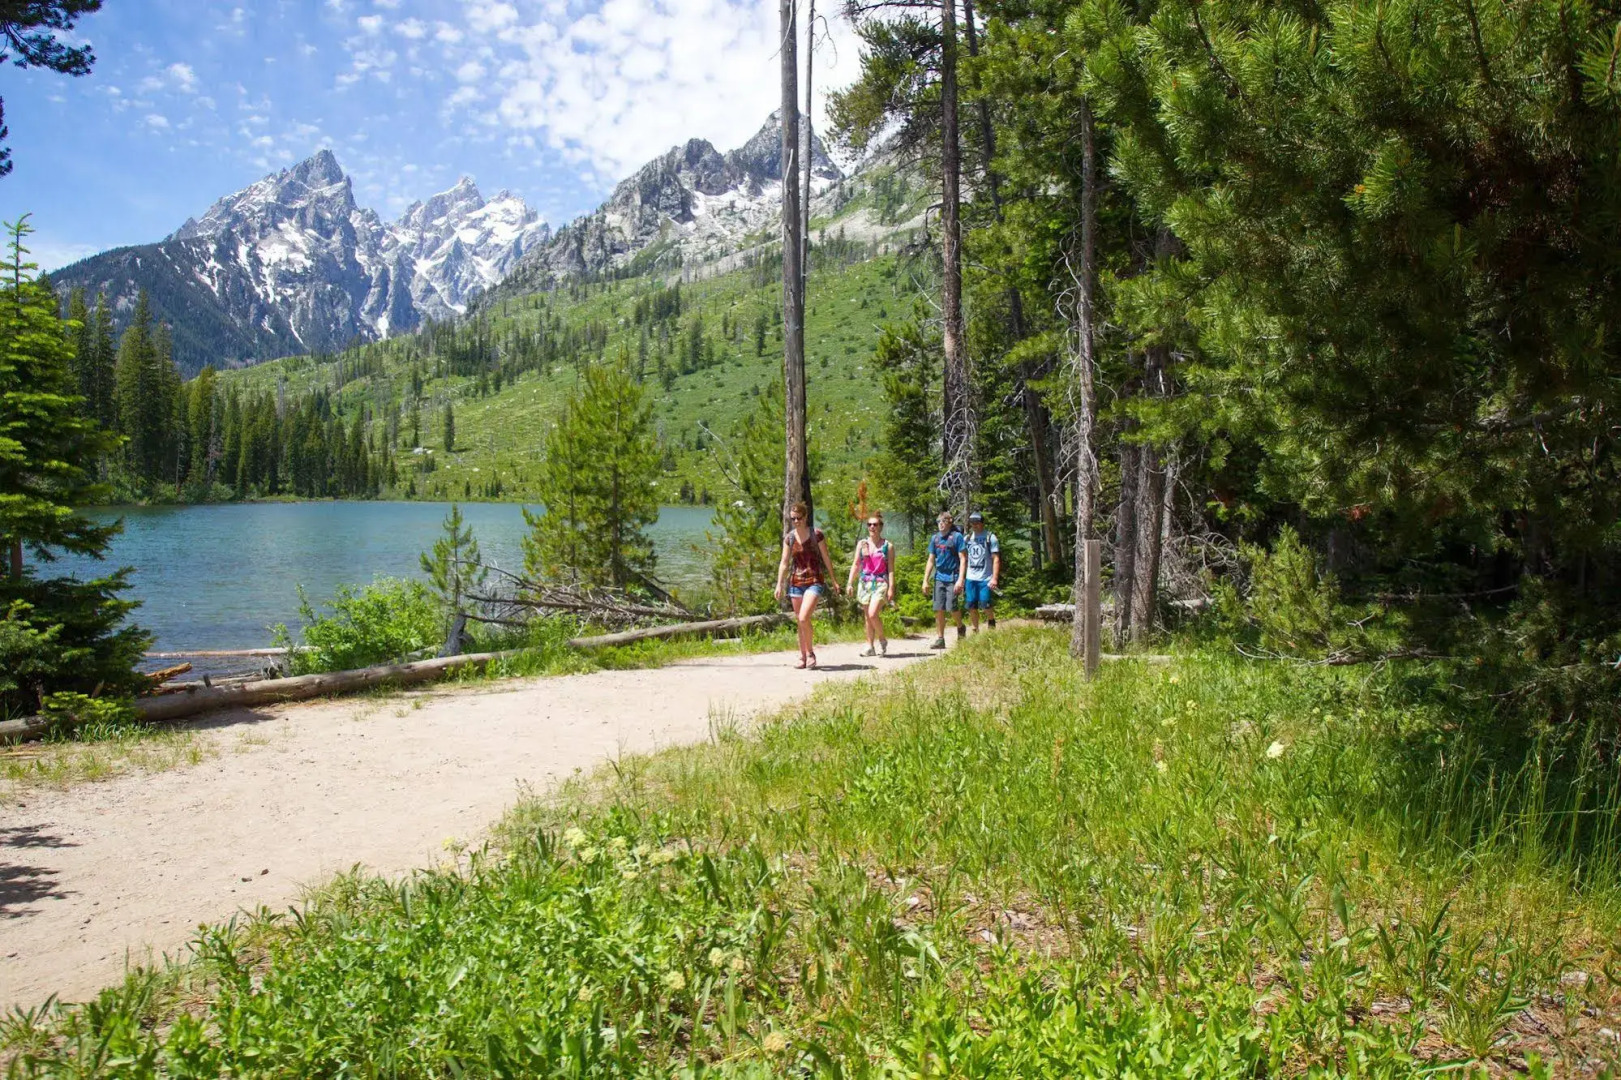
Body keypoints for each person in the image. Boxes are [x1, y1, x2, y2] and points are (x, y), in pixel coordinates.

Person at [774, 501, 840, 669]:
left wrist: (833, 580)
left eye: (799, 518)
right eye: (793, 519)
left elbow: (826, 558)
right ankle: (802, 656)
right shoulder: (789, 538)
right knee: (800, 621)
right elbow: (784, 562)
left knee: (804, 617)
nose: (796, 521)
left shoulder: (816, 534)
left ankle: (810, 653)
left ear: (805, 517)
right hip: (796, 582)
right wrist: (779, 584)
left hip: (814, 580)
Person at [845, 513, 895, 657]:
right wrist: (850, 583)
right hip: (864, 582)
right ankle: (870, 646)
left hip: (880, 582)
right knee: (867, 616)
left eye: (875, 524)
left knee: (873, 613)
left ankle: (882, 639)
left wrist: (891, 587)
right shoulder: (862, 544)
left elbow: (891, 569)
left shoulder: (888, 546)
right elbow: (856, 564)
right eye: (869, 524)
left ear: (881, 527)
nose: (872, 527)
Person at [920, 510, 966, 649]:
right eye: (938, 521)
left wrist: (960, 580)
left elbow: (963, 559)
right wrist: (925, 580)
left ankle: (960, 626)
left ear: (950, 522)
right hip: (939, 577)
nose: (940, 524)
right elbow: (931, 560)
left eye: (943, 521)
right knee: (938, 608)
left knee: (951, 607)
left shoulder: (957, 537)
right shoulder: (935, 538)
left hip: (953, 577)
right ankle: (940, 639)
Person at [963, 510, 1001, 631]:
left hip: (985, 578)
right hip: (970, 578)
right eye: (972, 522)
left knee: (985, 604)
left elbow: (996, 559)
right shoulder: (967, 538)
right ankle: (975, 629)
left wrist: (994, 578)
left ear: (982, 523)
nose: (974, 525)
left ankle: (991, 622)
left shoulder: (990, 538)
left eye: (977, 522)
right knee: (971, 606)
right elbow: (963, 558)